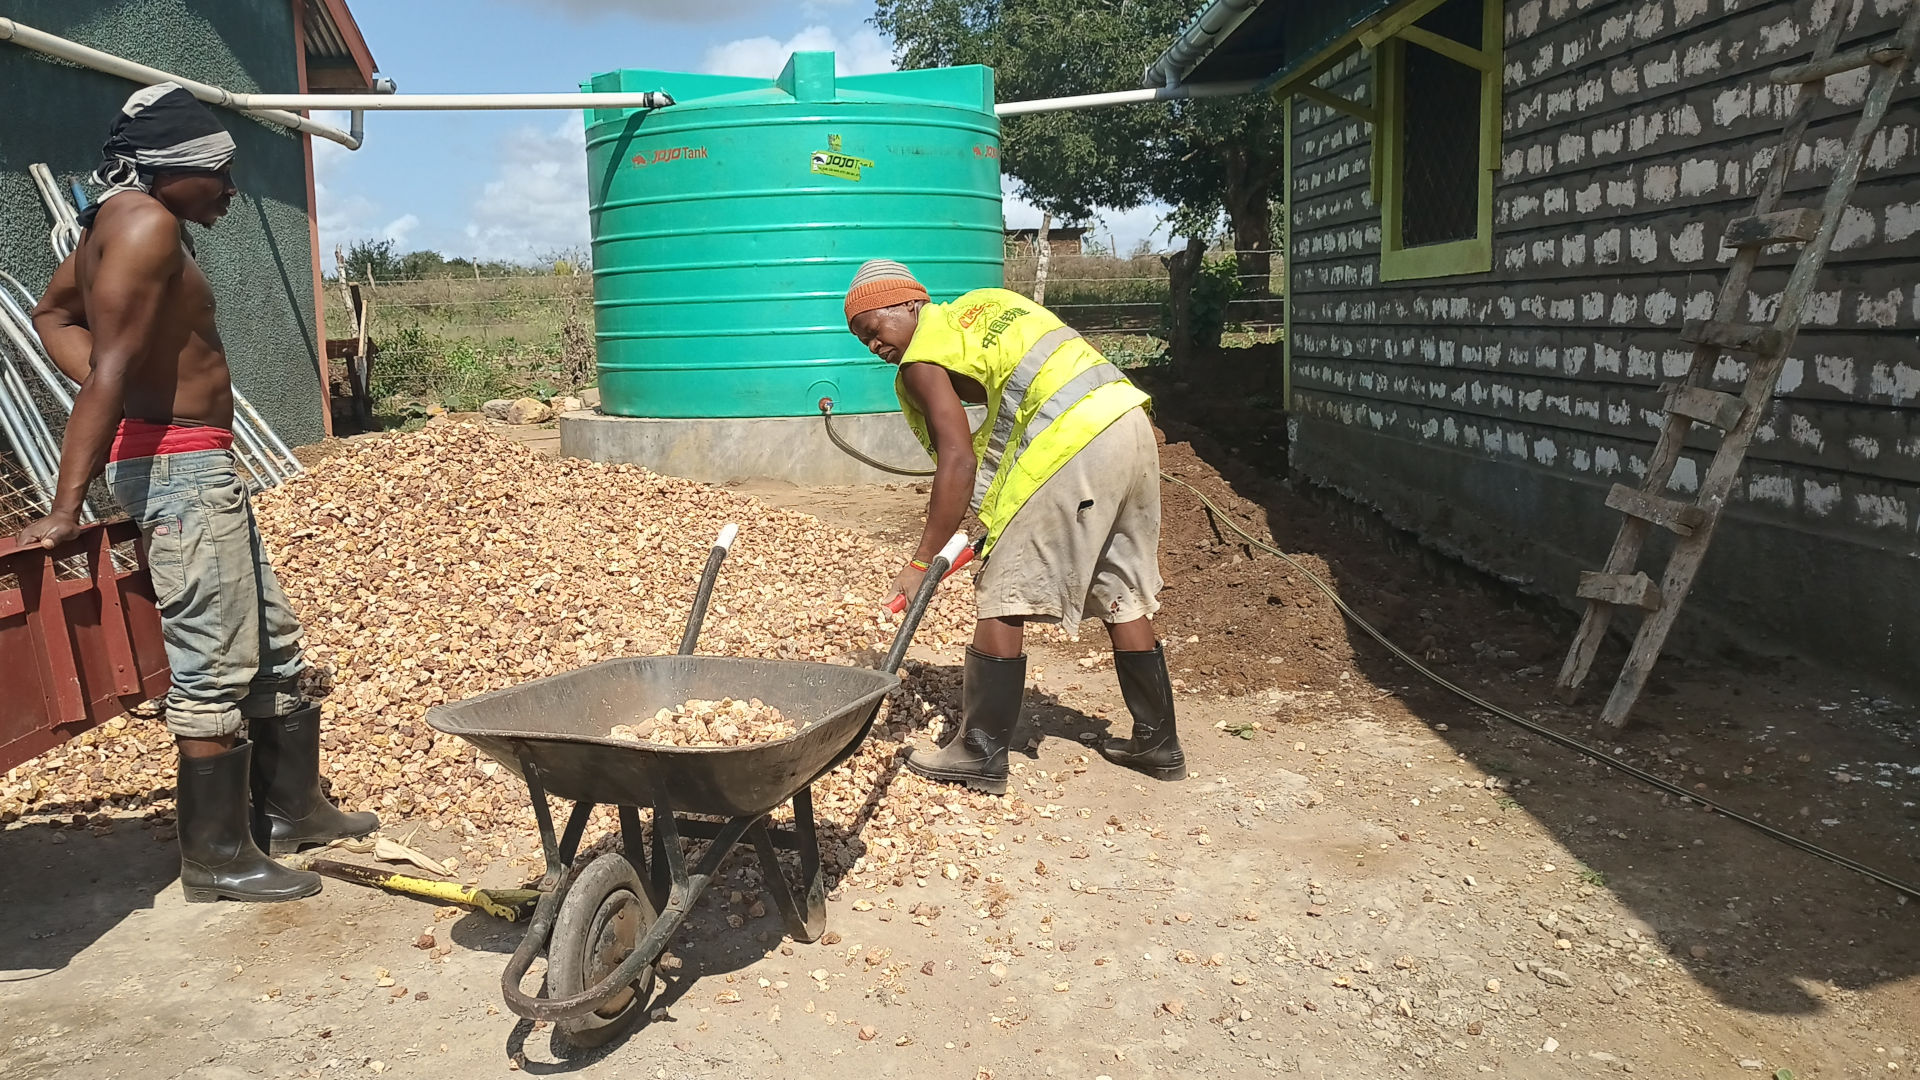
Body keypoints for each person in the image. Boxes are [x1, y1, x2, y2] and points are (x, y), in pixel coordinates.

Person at [13, 84, 376, 903]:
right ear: (172, 169)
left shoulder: (120, 220)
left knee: (274, 642)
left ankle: (292, 812)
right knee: (212, 663)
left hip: (199, 464)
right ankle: (215, 858)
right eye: (218, 172)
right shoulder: (146, 225)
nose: (230, 189)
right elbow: (103, 369)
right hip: (181, 472)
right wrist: (68, 504)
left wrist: (138, 384)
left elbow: (49, 313)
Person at [843, 259, 1185, 794]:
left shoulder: (923, 356)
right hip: (1128, 425)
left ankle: (979, 750)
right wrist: (989, 517)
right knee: (1119, 588)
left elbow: (958, 459)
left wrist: (918, 562)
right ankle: (1158, 742)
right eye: (861, 339)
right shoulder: (984, 310)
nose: (873, 345)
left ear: (910, 304)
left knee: (1003, 588)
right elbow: (1011, 412)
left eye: (874, 327)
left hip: (1072, 443)